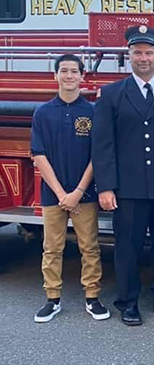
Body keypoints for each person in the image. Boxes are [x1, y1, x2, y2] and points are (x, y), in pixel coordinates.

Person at [92, 25, 154, 326]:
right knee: (127, 248)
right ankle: (128, 302)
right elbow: (103, 143)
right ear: (129, 56)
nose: (143, 58)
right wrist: (106, 187)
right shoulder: (112, 94)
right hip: (129, 187)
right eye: (137, 53)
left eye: (149, 52)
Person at [31, 54, 109, 323]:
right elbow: (39, 155)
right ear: (55, 76)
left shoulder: (92, 112)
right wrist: (62, 194)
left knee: (90, 247)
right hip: (53, 195)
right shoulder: (42, 113)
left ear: (82, 75)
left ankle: (92, 298)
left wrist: (77, 191)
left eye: (74, 71)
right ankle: (52, 300)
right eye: (63, 71)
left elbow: (96, 156)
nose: (68, 76)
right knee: (52, 248)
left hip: (84, 194)